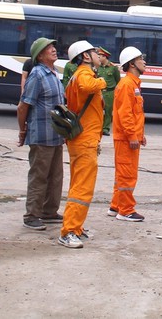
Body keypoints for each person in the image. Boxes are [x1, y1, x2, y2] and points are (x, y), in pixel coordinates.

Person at [58, 40, 107, 249]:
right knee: (82, 188)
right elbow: (87, 86)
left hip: (84, 138)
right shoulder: (85, 75)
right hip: (84, 139)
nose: (99, 55)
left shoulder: (80, 74)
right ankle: (69, 231)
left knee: (78, 184)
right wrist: (103, 81)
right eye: (94, 52)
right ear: (85, 57)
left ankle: (76, 227)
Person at [17, 37, 66, 232]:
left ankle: (49, 211)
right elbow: (23, 106)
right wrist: (22, 131)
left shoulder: (53, 74)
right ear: (40, 55)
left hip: (56, 135)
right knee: (39, 176)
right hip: (41, 135)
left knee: (56, 176)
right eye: (49, 48)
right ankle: (31, 215)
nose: (54, 49)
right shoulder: (37, 74)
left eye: (54, 46)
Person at [111, 46, 147, 222]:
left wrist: (140, 135)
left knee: (122, 174)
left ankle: (116, 206)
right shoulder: (127, 85)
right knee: (127, 175)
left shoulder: (132, 84)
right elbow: (125, 115)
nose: (144, 61)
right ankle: (125, 210)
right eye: (141, 59)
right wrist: (133, 136)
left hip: (128, 137)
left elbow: (135, 114)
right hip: (126, 139)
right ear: (132, 64)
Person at [95, 47, 121, 136]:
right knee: (97, 110)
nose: (98, 58)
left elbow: (118, 81)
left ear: (105, 57)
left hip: (110, 92)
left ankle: (105, 128)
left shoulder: (113, 68)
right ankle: (98, 127)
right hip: (99, 92)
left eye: (100, 56)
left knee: (108, 111)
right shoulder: (97, 67)